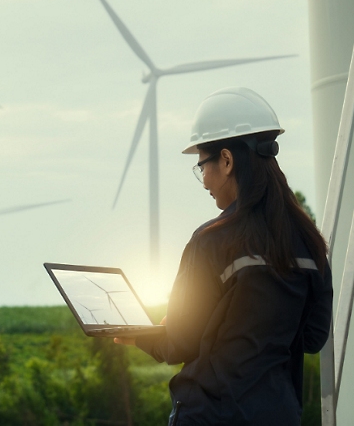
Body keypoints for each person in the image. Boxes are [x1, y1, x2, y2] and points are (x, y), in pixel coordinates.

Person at [115, 87, 332, 425]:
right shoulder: (308, 243)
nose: (204, 182)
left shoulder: (211, 241)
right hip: (280, 415)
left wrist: (140, 335)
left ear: (227, 160)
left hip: (212, 415)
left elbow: (180, 343)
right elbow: (313, 337)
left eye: (202, 164)